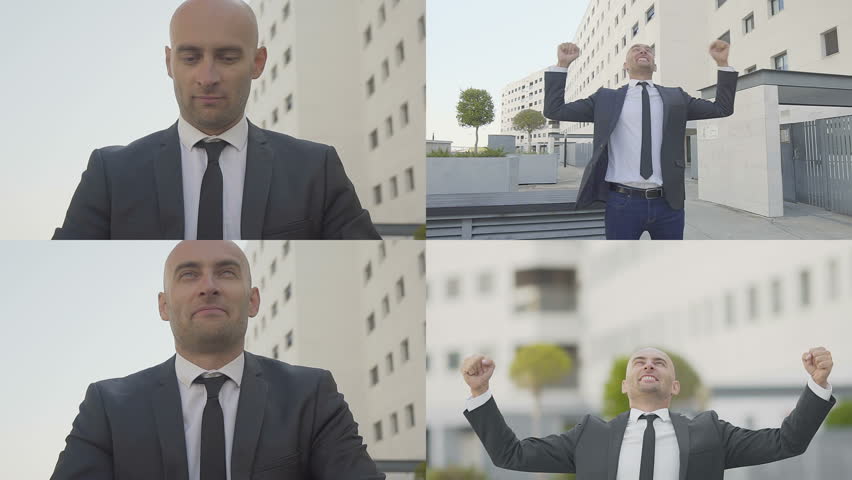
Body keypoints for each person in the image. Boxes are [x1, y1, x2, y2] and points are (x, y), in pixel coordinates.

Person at [51, 241, 384, 480]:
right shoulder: (108, 406)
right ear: (164, 306)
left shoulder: (311, 395)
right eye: (188, 275)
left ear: (253, 300)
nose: (208, 287)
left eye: (226, 272)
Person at [53, 0, 379, 240]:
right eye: (190, 58)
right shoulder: (110, 175)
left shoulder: (316, 170)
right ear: (169, 62)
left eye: (227, 57)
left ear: (258, 62)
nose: (207, 77)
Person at [461, 347, 835, 479]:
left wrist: (817, 383)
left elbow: (788, 442)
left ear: (675, 386)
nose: (649, 365)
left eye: (659, 362)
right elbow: (510, 455)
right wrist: (479, 391)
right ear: (625, 385)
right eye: (639, 362)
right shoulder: (590, 435)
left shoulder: (710, 432)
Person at [544, 41, 737, 239]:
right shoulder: (605, 98)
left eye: (648, 50)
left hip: (668, 204)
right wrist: (562, 65)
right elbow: (554, 110)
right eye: (636, 49)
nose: (643, 51)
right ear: (625, 66)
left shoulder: (676, 97)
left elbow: (722, 108)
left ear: (655, 66)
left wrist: (722, 64)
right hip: (622, 204)